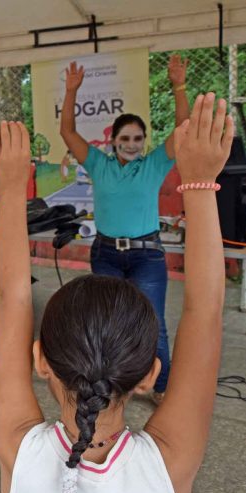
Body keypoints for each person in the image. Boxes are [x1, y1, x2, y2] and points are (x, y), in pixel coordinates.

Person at [0, 95, 232, 493]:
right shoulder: (168, 465)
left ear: (39, 361)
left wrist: (12, 189)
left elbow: (12, 297)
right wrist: (202, 184)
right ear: (150, 375)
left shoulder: (19, 452)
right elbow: (205, 311)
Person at [59, 55, 190, 403]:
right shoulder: (99, 164)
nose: (132, 144)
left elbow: (183, 131)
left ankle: (161, 389)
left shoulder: (154, 164)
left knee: (153, 324)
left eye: (138, 139)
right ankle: (114, 383)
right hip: (105, 255)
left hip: (147, 256)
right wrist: (71, 91)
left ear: (145, 142)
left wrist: (179, 86)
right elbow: (67, 132)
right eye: (125, 138)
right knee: (109, 324)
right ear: (113, 140)